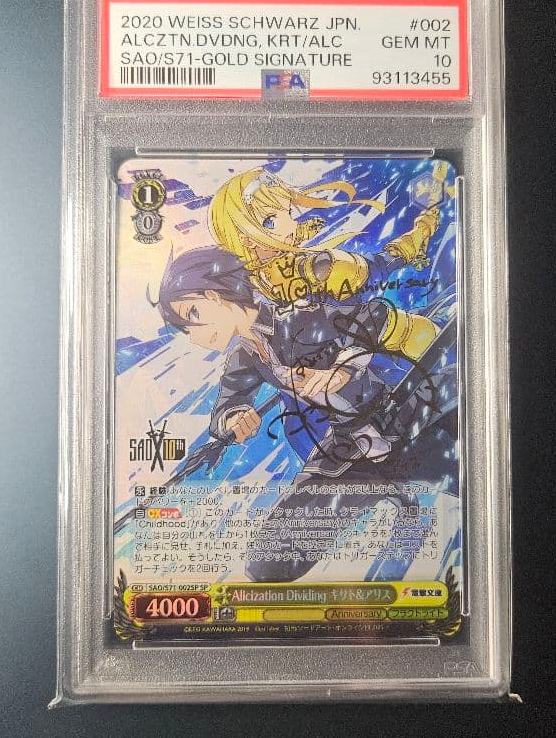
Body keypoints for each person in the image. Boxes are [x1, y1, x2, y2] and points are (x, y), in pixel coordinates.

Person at [154, 246, 457, 581]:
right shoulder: (245, 356)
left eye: (193, 313)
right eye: (185, 330)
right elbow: (230, 398)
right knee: (268, 561)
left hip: (401, 415)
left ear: (215, 294)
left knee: (470, 463)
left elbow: (374, 315)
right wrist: (233, 418)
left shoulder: (298, 308)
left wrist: (345, 368)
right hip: (348, 450)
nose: (195, 336)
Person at [207, 163, 451, 306]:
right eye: (270, 221)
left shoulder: (265, 268)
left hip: (344, 317)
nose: (290, 225)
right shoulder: (257, 278)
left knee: (378, 265)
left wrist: (303, 233)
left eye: (289, 212)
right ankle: (422, 229)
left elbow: (283, 243)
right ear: (246, 237)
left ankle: (423, 229)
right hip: (335, 327)